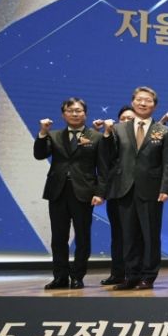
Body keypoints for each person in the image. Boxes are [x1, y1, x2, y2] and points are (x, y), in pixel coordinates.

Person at [103, 87, 168, 291]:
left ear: (155, 106)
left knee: (150, 235)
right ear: (133, 103)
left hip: (151, 189)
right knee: (128, 235)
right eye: (140, 100)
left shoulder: (164, 131)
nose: (143, 103)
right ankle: (131, 275)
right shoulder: (118, 129)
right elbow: (108, 157)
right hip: (124, 188)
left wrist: (166, 188)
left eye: (148, 100)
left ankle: (148, 276)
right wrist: (106, 134)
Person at [34, 97, 109, 289]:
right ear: (63, 115)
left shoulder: (96, 137)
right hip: (57, 191)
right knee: (59, 237)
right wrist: (43, 132)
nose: (74, 114)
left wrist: (100, 193)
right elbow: (40, 155)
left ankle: (77, 276)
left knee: (83, 237)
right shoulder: (53, 135)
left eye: (78, 111)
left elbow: (103, 168)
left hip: (84, 191)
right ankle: (60, 276)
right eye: (70, 111)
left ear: (86, 114)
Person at [97, 105, 136, 286]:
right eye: (123, 119)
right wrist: (106, 132)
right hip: (115, 191)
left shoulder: (142, 138)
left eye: (130, 118)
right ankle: (117, 272)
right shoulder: (110, 137)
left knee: (133, 235)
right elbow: (104, 158)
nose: (126, 121)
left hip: (137, 192)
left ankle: (133, 272)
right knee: (118, 235)